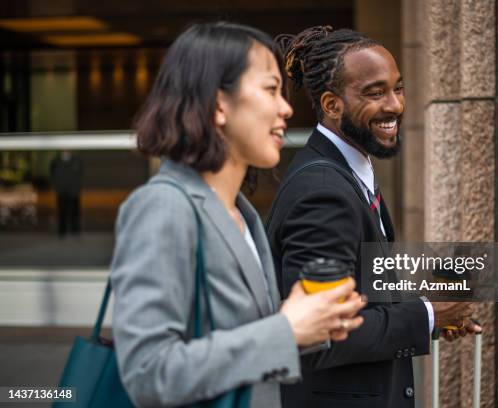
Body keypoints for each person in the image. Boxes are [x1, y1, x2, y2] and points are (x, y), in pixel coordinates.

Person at [110, 23, 366, 408]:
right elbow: (148, 374)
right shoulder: (163, 207)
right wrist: (287, 329)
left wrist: (314, 323)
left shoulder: (241, 213)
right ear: (217, 104)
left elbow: (248, 339)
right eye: (270, 89)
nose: (286, 108)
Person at [266, 26, 481, 408]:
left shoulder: (346, 173)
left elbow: (359, 301)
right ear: (332, 105)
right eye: (375, 92)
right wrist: (427, 315)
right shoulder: (323, 192)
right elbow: (321, 334)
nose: (396, 105)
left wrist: (429, 311)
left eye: (398, 88)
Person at [50, 150, 82, 237]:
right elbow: (52, 175)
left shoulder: (76, 160)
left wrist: (77, 187)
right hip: (61, 191)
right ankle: (62, 231)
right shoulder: (55, 161)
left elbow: (81, 175)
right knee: (61, 211)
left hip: (74, 190)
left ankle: (75, 230)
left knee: (75, 212)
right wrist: (57, 187)